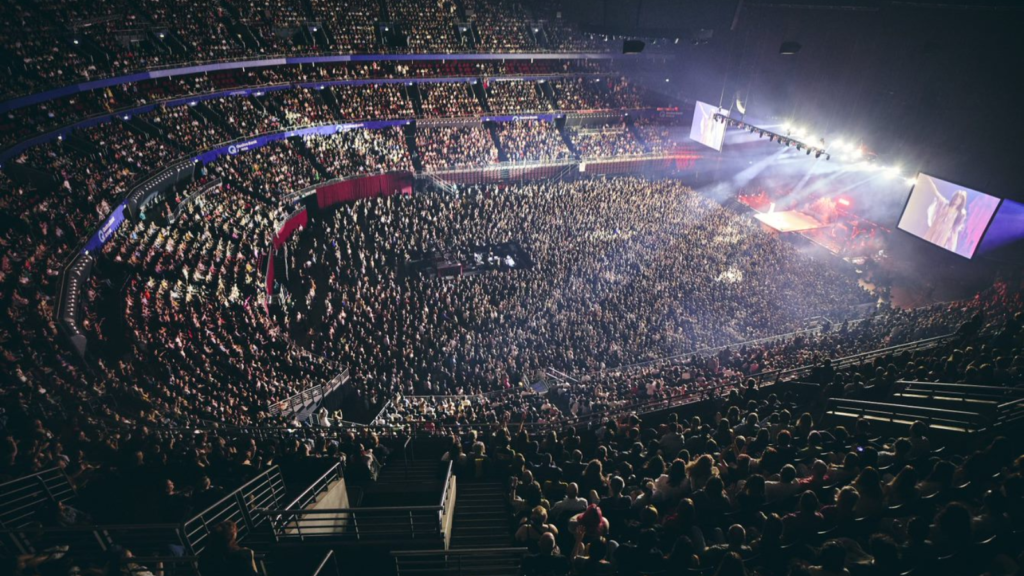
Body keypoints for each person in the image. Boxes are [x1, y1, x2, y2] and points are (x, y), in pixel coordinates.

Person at [923, 181, 968, 253]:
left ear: (962, 201)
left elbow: (955, 230)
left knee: (934, 251)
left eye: (960, 198)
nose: (957, 199)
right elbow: (936, 192)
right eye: (956, 197)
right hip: (934, 229)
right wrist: (928, 180)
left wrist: (952, 245)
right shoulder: (944, 204)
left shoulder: (959, 214)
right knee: (924, 246)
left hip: (943, 234)